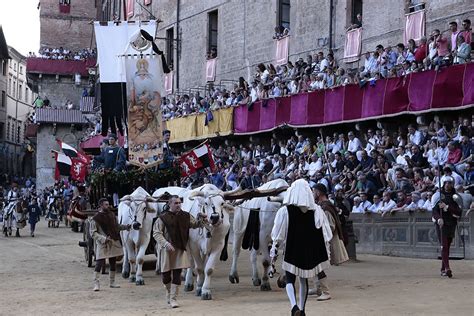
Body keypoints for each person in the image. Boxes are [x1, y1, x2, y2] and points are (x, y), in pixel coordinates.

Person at [271, 179, 331, 316]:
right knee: (303, 280)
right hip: (308, 251)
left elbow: (278, 233)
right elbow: (325, 233)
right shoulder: (317, 210)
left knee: (290, 279)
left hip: (292, 250)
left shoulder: (285, 211)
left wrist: (274, 248)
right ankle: (302, 310)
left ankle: (294, 306)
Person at [153, 196, 206, 308]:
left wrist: (202, 219)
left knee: (177, 274)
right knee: (165, 276)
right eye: (176, 203)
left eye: (179, 203)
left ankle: (173, 298)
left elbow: (196, 224)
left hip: (180, 248)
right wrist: (166, 244)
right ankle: (168, 292)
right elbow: (156, 233)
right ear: (169, 204)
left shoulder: (185, 216)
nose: (178, 205)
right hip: (165, 249)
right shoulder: (162, 217)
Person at [309, 184, 349, 301]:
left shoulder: (326, 208)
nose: (313, 193)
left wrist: (317, 233)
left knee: (319, 265)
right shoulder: (323, 206)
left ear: (319, 193)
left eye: (314, 191)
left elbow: (330, 226)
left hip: (327, 241)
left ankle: (325, 291)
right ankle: (317, 287)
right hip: (324, 239)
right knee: (315, 265)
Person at [91, 198, 130, 291]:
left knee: (113, 262)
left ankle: (112, 282)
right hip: (102, 243)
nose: (107, 206)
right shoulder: (95, 218)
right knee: (99, 263)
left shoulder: (112, 215)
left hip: (113, 241)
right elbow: (93, 233)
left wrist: (127, 227)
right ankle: (96, 284)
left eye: (108, 204)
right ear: (101, 205)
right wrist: (104, 239)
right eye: (105, 204)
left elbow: (117, 226)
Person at [432, 177, 462, 278]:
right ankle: (448, 268)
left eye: (450, 183)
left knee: (447, 247)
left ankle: (443, 269)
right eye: (446, 183)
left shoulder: (456, 197)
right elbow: (434, 211)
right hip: (441, 224)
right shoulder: (438, 196)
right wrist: (439, 218)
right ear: (443, 184)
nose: (448, 185)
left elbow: (458, 212)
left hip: (451, 223)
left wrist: (447, 207)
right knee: (443, 246)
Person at [94, 133, 126, 206]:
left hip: (116, 173)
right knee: (109, 189)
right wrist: (94, 157)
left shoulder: (120, 149)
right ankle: (110, 204)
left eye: (112, 139)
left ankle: (118, 204)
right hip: (107, 173)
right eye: (109, 139)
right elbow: (102, 158)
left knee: (117, 189)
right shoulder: (106, 149)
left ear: (115, 140)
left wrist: (116, 169)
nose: (110, 141)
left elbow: (122, 161)